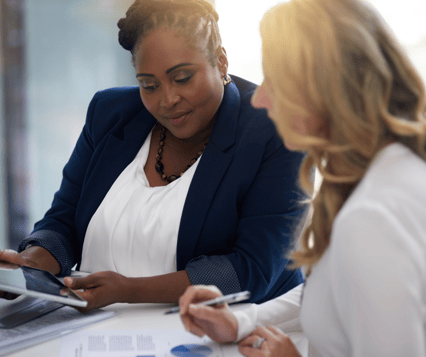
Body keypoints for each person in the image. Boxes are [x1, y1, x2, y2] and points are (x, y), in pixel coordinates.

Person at [0, 0, 306, 310]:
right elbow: (63, 223)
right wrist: (29, 265)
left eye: (183, 78)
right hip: (91, 330)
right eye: (149, 85)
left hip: (228, 334)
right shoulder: (110, 115)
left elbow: (251, 270)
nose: (168, 99)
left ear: (221, 60)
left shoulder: (274, 128)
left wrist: (129, 290)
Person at [178, 0, 426, 356]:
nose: (261, 100)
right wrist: (243, 321)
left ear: (322, 89)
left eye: (275, 83)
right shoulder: (392, 172)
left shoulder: (371, 219)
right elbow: (334, 287)